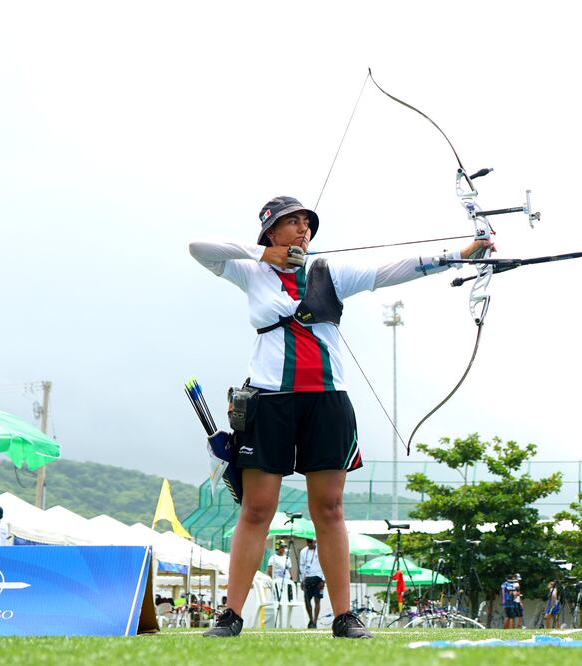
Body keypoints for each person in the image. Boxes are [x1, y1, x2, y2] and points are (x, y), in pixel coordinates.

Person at [191, 196, 491, 639]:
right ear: (271, 232)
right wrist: (263, 254)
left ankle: (343, 616)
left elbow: (393, 269)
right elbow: (198, 248)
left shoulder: (327, 272)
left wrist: (459, 255)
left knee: (329, 508)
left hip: (327, 399)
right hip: (269, 401)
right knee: (256, 508)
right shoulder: (251, 270)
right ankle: (231, 615)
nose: (303, 230)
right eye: (291, 223)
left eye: (306, 223)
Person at [298, 538, 325, 629]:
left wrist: (323, 580)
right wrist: (302, 580)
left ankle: (315, 622)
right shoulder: (303, 551)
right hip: (307, 578)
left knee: (317, 600)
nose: (309, 543)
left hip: (318, 578)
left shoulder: (320, 550)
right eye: (308, 541)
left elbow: (325, 564)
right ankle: (311, 619)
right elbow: (301, 566)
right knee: (306, 600)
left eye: (311, 541)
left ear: (315, 541)